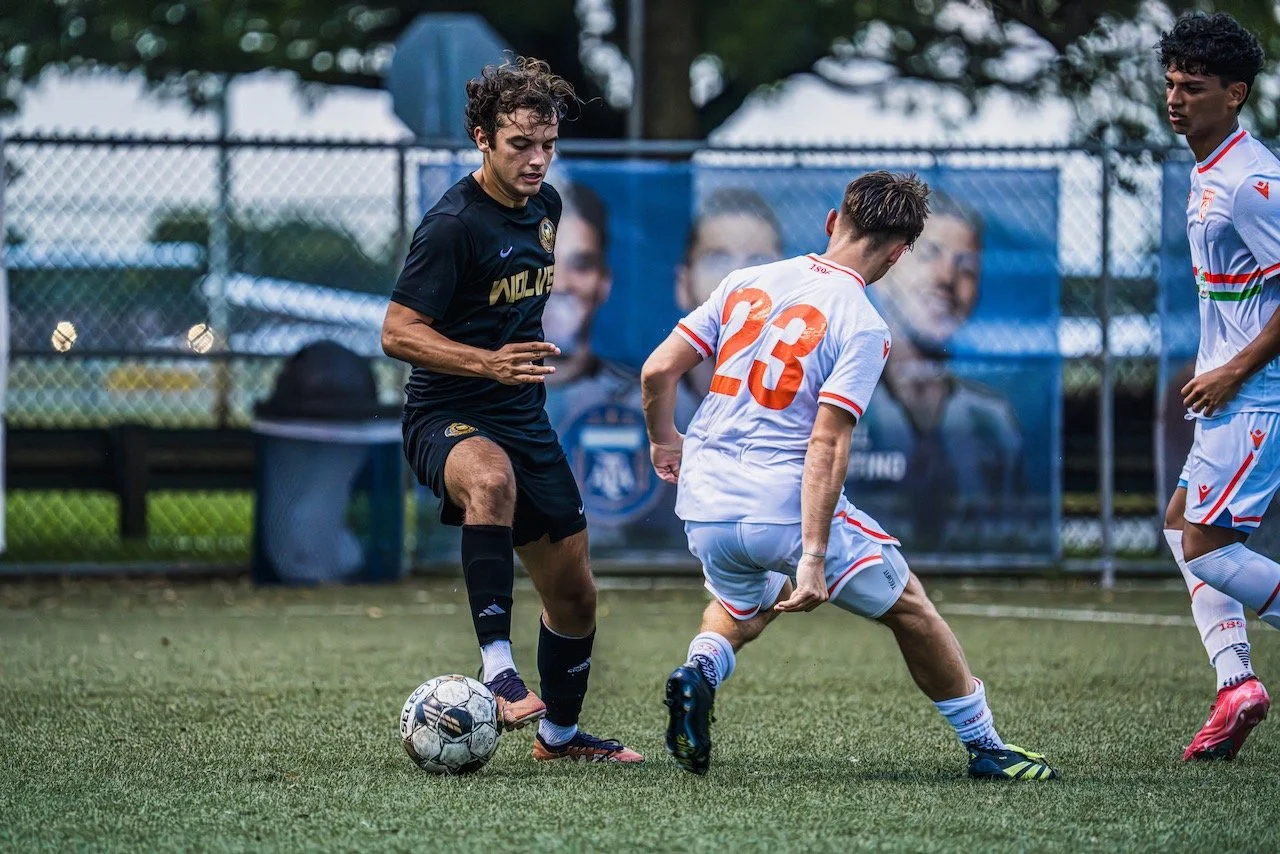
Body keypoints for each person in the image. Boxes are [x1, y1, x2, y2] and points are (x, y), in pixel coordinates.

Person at [640, 170, 1058, 780]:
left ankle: (698, 671)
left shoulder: (745, 281)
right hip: (781, 505)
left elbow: (656, 373)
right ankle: (987, 746)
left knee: (740, 604)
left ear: (833, 222)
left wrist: (662, 440)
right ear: (897, 253)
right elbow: (827, 443)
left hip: (704, 504)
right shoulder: (862, 322)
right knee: (912, 609)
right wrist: (812, 554)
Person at [380, 56, 642, 763]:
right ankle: (497, 668)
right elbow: (396, 332)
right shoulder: (451, 225)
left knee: (576, 597)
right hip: (446, 412)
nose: (536, 159)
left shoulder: (548, 209)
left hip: (525, 416)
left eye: (547, 144)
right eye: (520, 144)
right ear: (481, 138)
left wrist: (513, 367)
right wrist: (486, 362)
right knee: (490, 483)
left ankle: (559, 737)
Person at [1157, 12, 1280, 762]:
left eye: (1192, 87)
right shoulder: (1211, 168)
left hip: (1257, 396)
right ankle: (1236, 682)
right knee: (1182, 524)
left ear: (1234, 94)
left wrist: (1235, 368)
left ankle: (1237, 681)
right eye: (1170, 83)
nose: (1175, 98)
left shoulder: (1252, 182)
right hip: (1234, 395)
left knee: (1202, 543)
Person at [856, 191, 1025, 551]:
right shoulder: (838, 399)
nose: (947, 277)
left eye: (966, 267)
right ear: (884, 269)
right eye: (928, 255)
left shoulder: (994, 423)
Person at [674, 187, 785, 407]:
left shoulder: (819, 408)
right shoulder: (645, 406)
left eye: (758, 262)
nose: (738, 279)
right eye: (718, 260)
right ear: (684, 286)